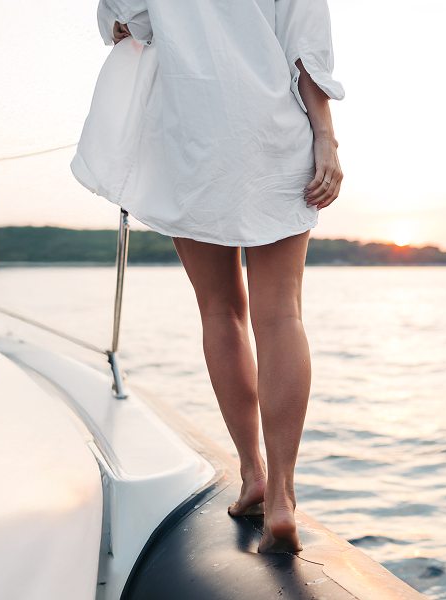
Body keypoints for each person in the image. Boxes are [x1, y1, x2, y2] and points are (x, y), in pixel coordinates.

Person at [72, 0, 344, 553]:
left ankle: (253, 475)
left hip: (193, 141)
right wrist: (326, 137)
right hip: (277, 134)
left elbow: (127, 22)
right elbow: (307, 45)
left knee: (222, 311)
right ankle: (284, 501)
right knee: (282, 313)